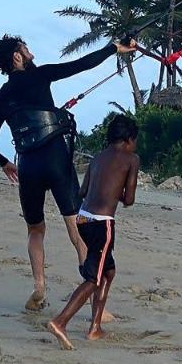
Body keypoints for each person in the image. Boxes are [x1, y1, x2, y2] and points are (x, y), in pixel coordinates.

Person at [0, 33, 137, 312]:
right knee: (76, 226)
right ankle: (94, 301)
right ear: (17, 56)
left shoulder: (0, 97)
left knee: (35, 229)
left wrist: (6, 163)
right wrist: (115, 48)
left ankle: (39, 287)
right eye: (25, 48)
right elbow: (83, 64)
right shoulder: (40, 76)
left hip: (27, 166)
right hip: (56, 161)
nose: (31, 53)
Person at [47, 114, 139, 350]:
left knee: (108, 271)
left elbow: (83, 191)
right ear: (129, 139)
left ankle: (95, 326)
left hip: (83, 218)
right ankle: (60, 322)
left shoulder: (97, 158)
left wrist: (103, 188)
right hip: (102, 223)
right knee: (94, 278)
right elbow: (129, 199)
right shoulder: (131, 159)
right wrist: (115, 191)